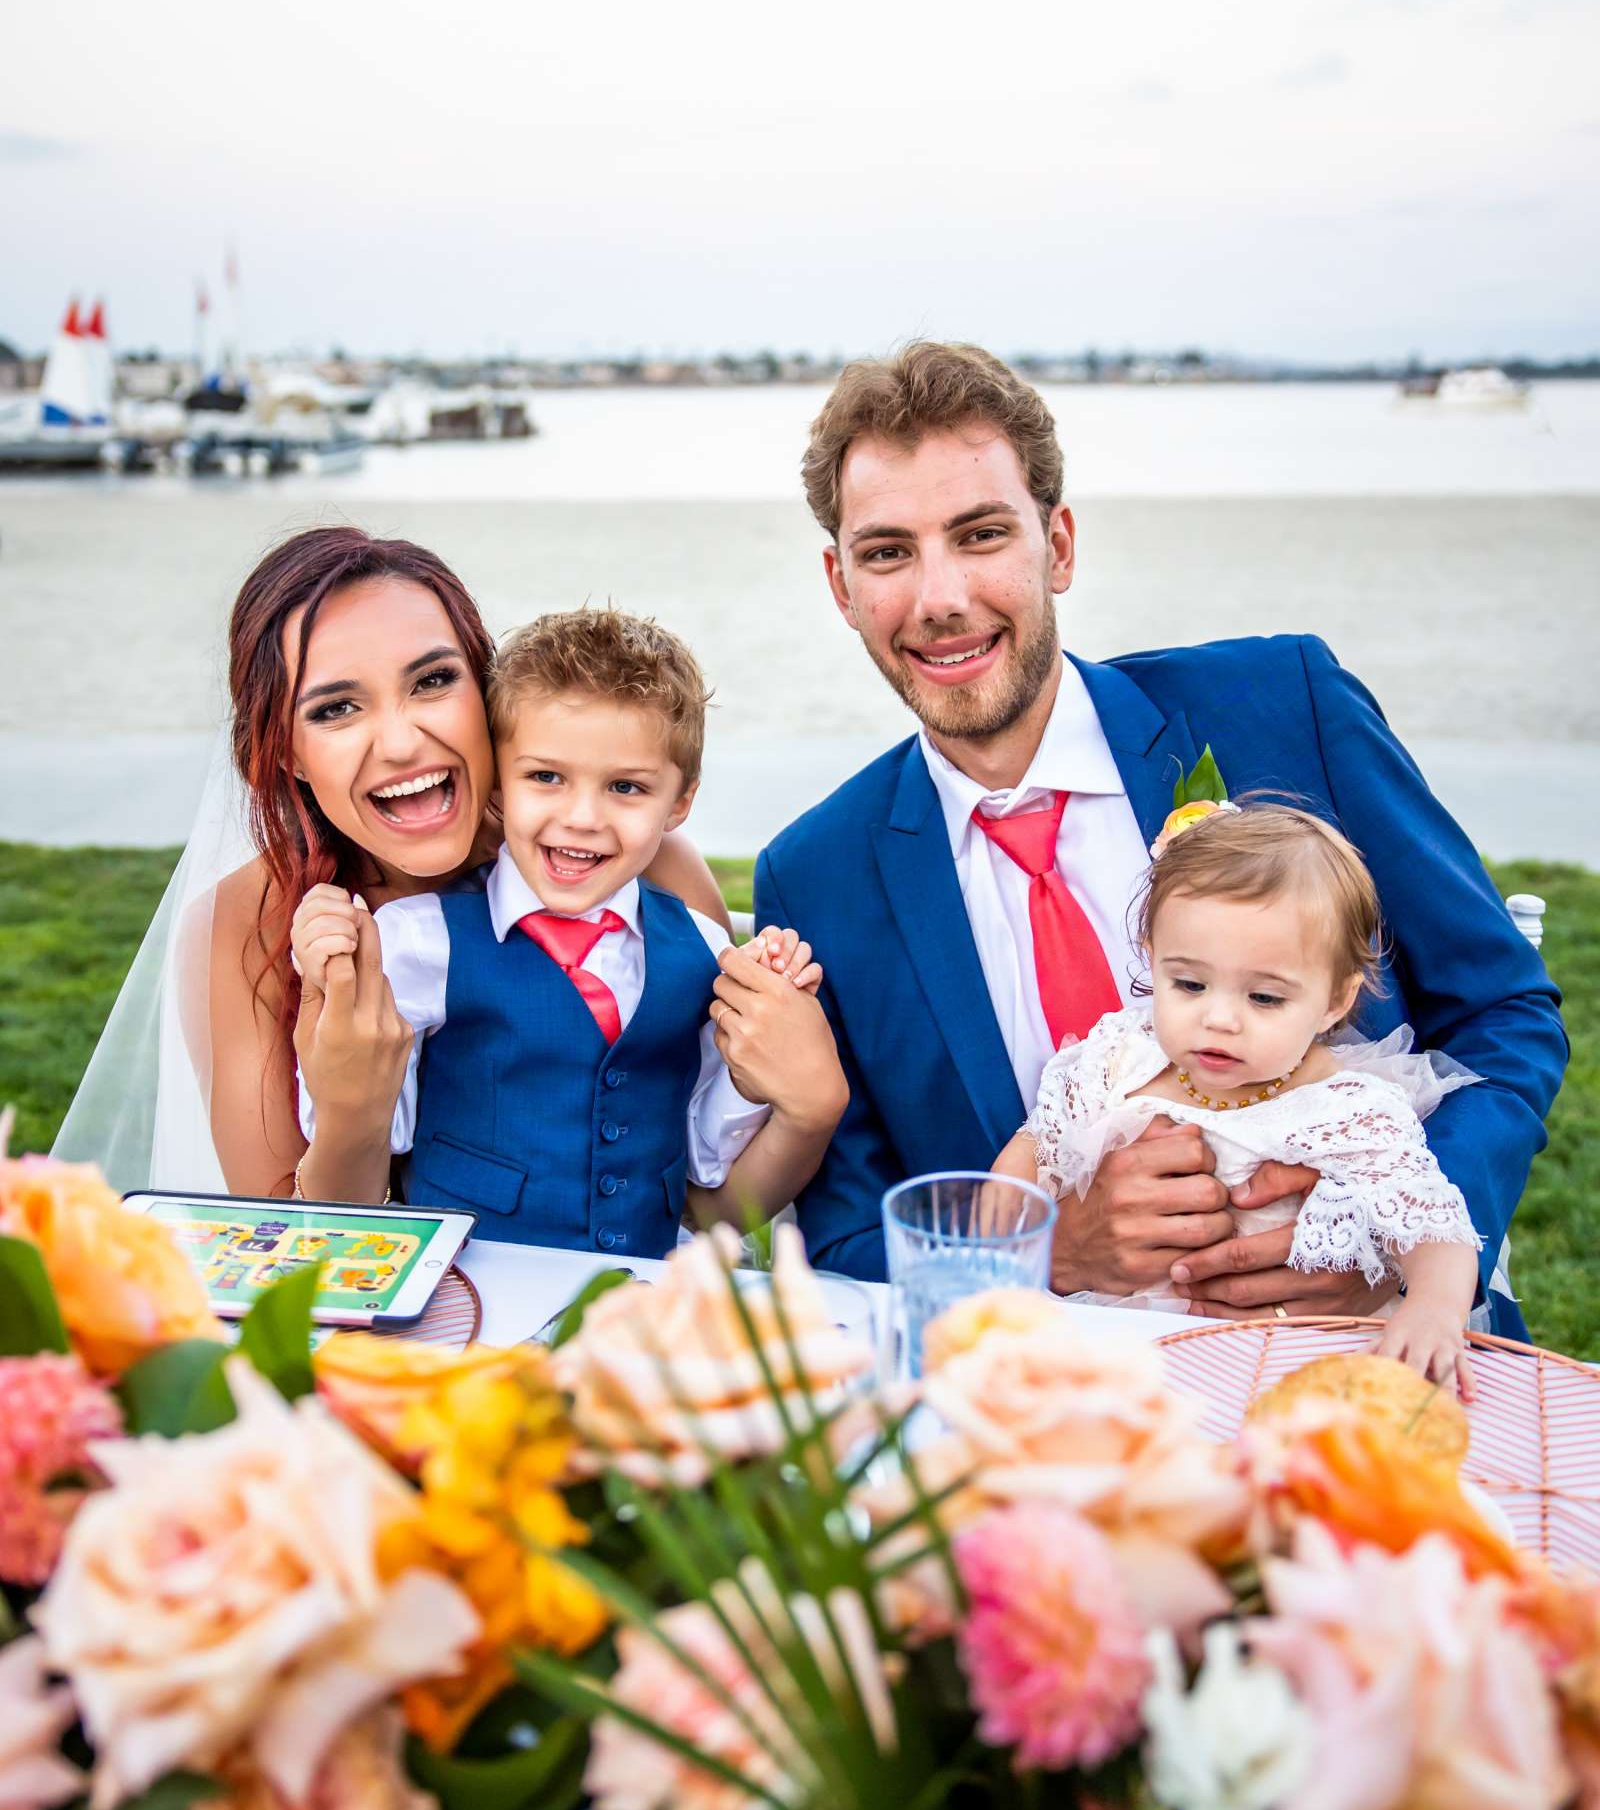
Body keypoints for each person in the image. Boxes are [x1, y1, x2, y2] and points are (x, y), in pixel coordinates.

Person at [754, 341, 1566, 1332]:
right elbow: (841, 1228)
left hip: (1373, 1349)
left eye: (979, 535)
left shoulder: (1284, 705)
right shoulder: (816, 876)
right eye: (888, 553)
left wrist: (1401, 1253)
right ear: (841, 586)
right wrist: (1041, 1248)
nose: (939, 599)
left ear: (1057, 545)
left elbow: (1502, 1012)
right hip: (1052, 1399)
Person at [56, 527, 733, 1198]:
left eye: (433, 681)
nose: (403, 742)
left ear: (488, 688)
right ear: (287, 752)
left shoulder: (637, 865)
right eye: (336, 709)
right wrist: (354, 1112)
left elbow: (709, 1173)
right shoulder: (244, 923)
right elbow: (283, 1236)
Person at [291, 610, 848, 1250]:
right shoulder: (417, 941)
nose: (582, 817)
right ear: (498, 786)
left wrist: (756, 1061)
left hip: (640, 1300)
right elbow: (369, 1136)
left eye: (626, 787)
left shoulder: (703, 949)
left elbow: (707, 1162)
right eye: (546, 777)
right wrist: (335, 986)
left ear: (680, 802)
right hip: (471, 1289)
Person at [994, 802, 1481, 1389]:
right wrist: (1001, 1219)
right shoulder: (1120, 1057)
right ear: (1152, 957)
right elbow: (1036, 1143)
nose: (1219, 1018)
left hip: (1275, 1359)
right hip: (1108, 1346)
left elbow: (1433, 1224)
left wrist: (1433, 1307)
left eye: (1265, 998)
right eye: (1190, 984)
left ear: (1334, 1000)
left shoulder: (1344, 1110)